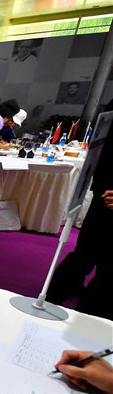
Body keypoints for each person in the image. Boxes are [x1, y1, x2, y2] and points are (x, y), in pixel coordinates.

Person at [46, 98, 113, 319]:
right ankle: (85, 319)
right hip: (106, 199)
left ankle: (58, 298)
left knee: (87, 256)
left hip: (103, 195)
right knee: (96, 262)